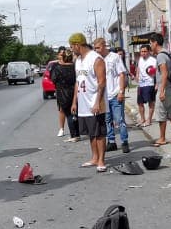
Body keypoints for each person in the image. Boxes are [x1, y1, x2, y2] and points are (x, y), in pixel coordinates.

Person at [70, 33, 108, 172]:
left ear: (77, 45)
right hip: (83, 103)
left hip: (95, 102)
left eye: (71, 46)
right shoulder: (78, 60)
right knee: (91, 133)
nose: (71, 49)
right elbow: (77, 82)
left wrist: (98, 102)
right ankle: (94, 157)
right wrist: (74, 101)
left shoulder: (96, 59)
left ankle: (101, 161)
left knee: (99, 132)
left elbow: (102, 82)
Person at [96, 38, 130, 154]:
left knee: (119, 119)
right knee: (107, 120)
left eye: (98, 47)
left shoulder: (114, 57)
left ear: (104, 46)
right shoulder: (97, 60)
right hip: (104, 96)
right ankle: (111, 141)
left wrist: (121, 91)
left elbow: (121, 74)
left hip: (115, 94)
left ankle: (124, 141)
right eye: (95, 48)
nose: (97, 50)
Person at [150, 34, 171, 146]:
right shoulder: (166, 53)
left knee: (161, 114)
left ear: (155, 43)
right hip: (169, 87)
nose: (150, 45)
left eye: (151, 43)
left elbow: (164, 73)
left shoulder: (160, 56)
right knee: (170, 112)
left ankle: (162, 138)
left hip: (165, 89)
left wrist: (161, 89)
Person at [50, 48, 79, 141]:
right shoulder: (75, 67)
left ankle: (73, 135)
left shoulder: (58, 68)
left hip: (62, 93)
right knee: (75, 113)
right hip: (74, 91)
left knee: (69, 114)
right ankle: (77, 133)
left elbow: (53, 79)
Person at [135, 45, 157, 127]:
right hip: (141, 84)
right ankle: (142, 119)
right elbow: (138, 68)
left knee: (150, 102)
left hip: (150, 84)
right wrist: (137, 75)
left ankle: (149, 119)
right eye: (142, 51)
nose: (143, 53)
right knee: (140, 103)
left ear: (148, 52)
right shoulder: (140, 59)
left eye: (145, 51)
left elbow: (157, 73)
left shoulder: (153, 60)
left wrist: (157, 84)